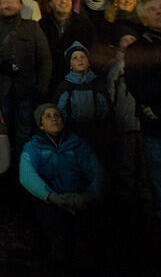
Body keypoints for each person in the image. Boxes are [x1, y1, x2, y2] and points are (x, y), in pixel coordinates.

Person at [19, 104, 107, 265]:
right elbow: (27, 174)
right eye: (48, 116)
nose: (54, 118)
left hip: (76, 196)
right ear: (41, 125)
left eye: (56, 115)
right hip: (50, 197)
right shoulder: (33, 147)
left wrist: (88, 196)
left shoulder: (77, 144)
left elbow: (97, 172)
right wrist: (51, 196)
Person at [124, 0, 161, 265]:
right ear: (143, 18)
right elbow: (140, 87)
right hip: (160, 133)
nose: (160, 11)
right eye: (152, 9)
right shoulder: (137, 50)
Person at [0, 0, 52, 156]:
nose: (7, 5)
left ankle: (23, 170)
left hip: (27, 89)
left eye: (11, 1)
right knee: (1, 134)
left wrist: (42, 88)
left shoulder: (32, 27)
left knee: (25, 133)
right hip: (0, 91)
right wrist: (0, 64)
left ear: (20, 5)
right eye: (4, 2)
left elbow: (45, 59)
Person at [40, 0, 96, 96]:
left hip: (77, 78)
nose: (63, 1)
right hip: (51, 77)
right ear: (50, 3)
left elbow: (92, 49)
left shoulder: (84, 24)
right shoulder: (42, 25)